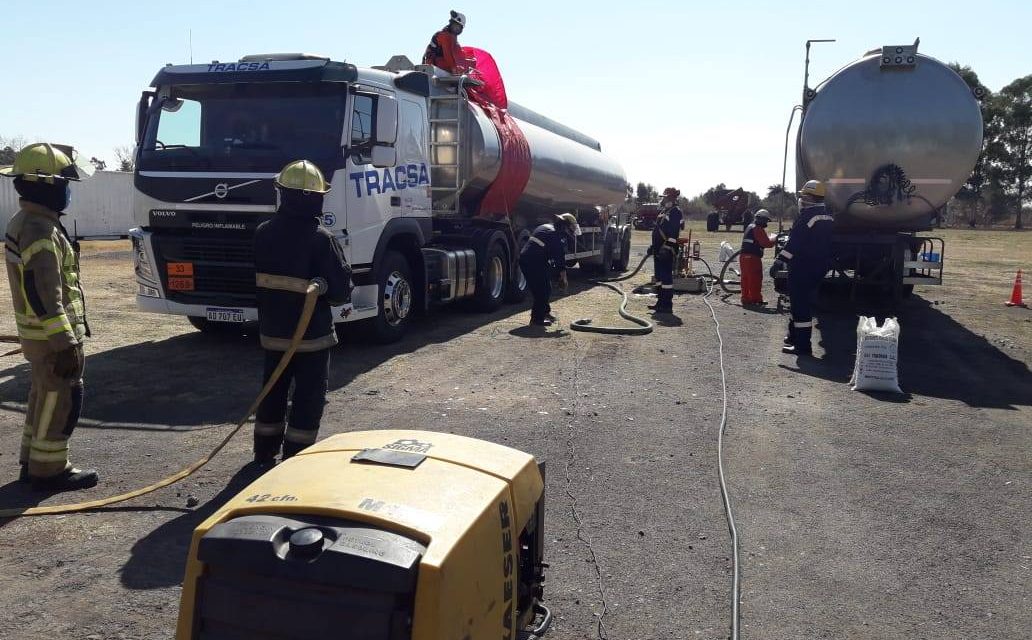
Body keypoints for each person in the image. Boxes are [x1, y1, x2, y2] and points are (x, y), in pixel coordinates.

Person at [2, 143, 97, 490]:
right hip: (51, 339)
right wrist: (65, 342)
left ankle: (34, 461)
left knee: (43, 397)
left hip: (38, 337)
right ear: (48, 187)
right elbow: (45, 292)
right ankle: (50, 471)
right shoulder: (40, 230)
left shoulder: (27, 221)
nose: (67, 191)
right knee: (61, 400)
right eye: (64, 184)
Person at [252, 160, 353, 463]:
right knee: (308, 397)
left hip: (273, 334)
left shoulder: (262, 233)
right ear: (317, 197)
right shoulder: (321, 239)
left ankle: (264, 450)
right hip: (311, 338)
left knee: (272, 391)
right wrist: (325, 285)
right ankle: (297, 455)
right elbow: (341, 291)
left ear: (282, 193)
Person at [780, 180, 835, 356]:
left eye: (803, 195)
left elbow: (794, 243)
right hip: (818, 268)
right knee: (801, 303)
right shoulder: (828, 216)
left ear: (810, 197)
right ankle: (794, 337)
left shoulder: (807, 217)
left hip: (803, 268)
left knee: (800, 306)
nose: (801, 199)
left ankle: (802, 346)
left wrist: (779, 262)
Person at [519, 213, 581, 326]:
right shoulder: (554, 234)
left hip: (532, 260)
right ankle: (536, 319)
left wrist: (558, 274)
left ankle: (544, 312)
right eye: (571, 227)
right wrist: (563, 277)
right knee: (543, 289)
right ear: (564, 225)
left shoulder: (547, 227)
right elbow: (559, 257)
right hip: (533, 261)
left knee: (544, 286)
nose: (571, 231)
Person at [647, 187, 683, 314]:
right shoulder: (664, 211)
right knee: (659, 277)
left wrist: (667, 248)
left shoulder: (675, 212)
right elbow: (658, 229)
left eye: (666, 197)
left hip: (666, 251)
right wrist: (653, 247)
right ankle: (660, 302)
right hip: (658, 250)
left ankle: (667, 304)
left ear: (672, 198)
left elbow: (674, 233)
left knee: (666, 278)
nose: (663, 200)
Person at [739, 209, 775, 306]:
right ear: (762, 219)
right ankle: (756, 300)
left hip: (743, 256)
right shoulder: (758, 228)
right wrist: (775, 239)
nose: (766, 223)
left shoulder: (750, 227)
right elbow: (766, 243)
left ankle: (746, 299)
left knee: (745, 278)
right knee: (755, 278)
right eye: (766, 221)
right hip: (753, 258)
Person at [423, 10, 471, 74]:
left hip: (439, 67)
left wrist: (468, 58)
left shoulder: (452, 38)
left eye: (459, 27)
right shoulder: (445, 35)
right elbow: (447, 54)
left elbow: (457, 53)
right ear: (451, 23)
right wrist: (454, 68)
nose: (457, 29)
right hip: (435, 67)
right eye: (455, 25)